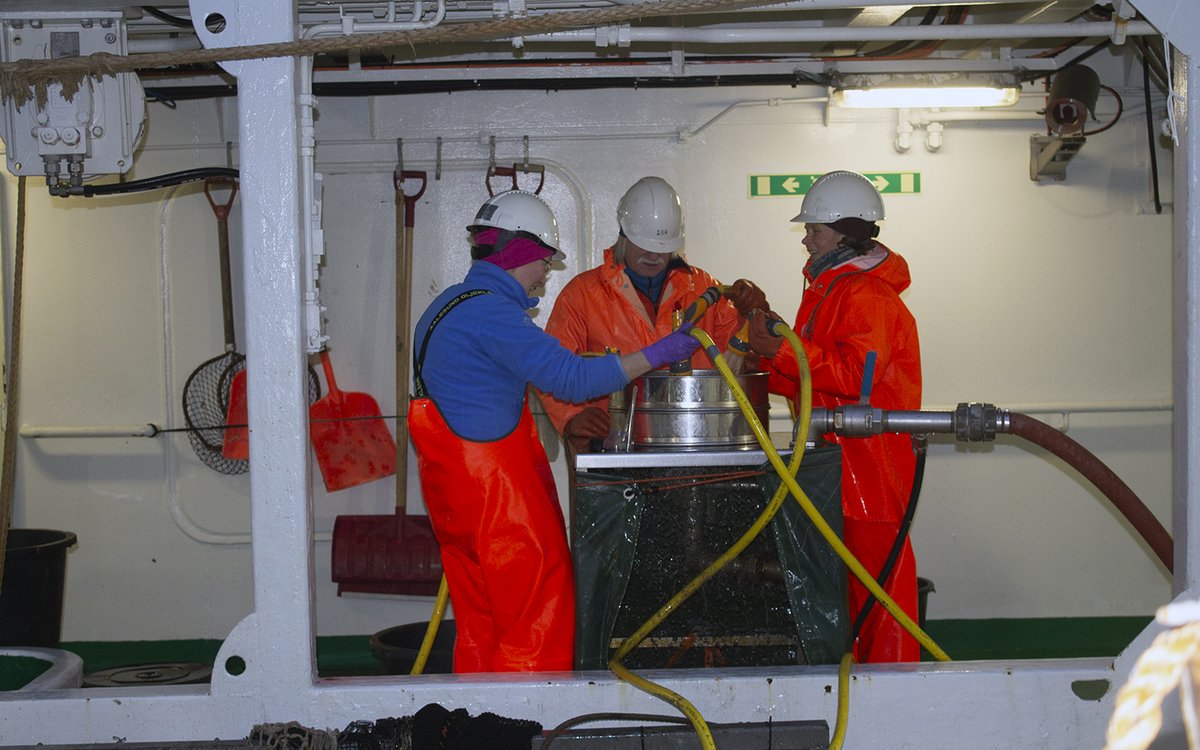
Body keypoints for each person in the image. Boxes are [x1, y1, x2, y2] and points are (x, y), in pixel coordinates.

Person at [408, 189, 700, 673]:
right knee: (536, 616)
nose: (545, 275)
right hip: (497, 503)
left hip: (454, 498)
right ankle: (525, 726)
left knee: (483, 623)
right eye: (543, 262)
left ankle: (469, 723)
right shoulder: (493, 315)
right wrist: (659, 353)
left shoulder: (444, 307)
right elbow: (573, 379)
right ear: (519, 253)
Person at [728, 170, 922, 663]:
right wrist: (763, 363)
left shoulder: (866, 296)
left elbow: (859, 378)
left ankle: (896, 699)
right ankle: (855, 687)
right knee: (850, 593)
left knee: (881, 596)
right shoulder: (830, 291)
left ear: (845, 230)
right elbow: (812, 381)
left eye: (813, 229)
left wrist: (781, 353)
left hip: (871, 469)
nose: (806, 239)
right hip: (839, 463)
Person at [540, 176, 758, 452]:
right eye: (645, 245)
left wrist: (754, 314)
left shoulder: (706, 290)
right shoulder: (581, 295)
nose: (654, 256)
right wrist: (570, 417)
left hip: (694, 444)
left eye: (663, 248)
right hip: (615, 448)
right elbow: (553, 368)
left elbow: (742, 361)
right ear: (624, 234)